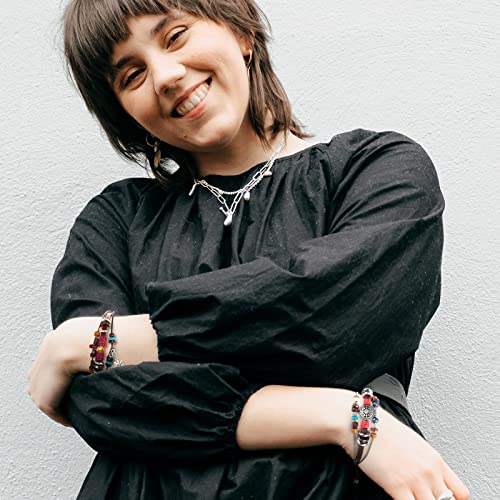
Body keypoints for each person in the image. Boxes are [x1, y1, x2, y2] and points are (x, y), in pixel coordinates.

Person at [28, 0, 470, 499]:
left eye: (175, 36)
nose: (166, 77)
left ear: (241, 33)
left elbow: (326, 324)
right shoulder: (115, 222)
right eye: (132, 76)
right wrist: (342, 416)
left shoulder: (375, 172)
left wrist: (95, 343)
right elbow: (105, 402)